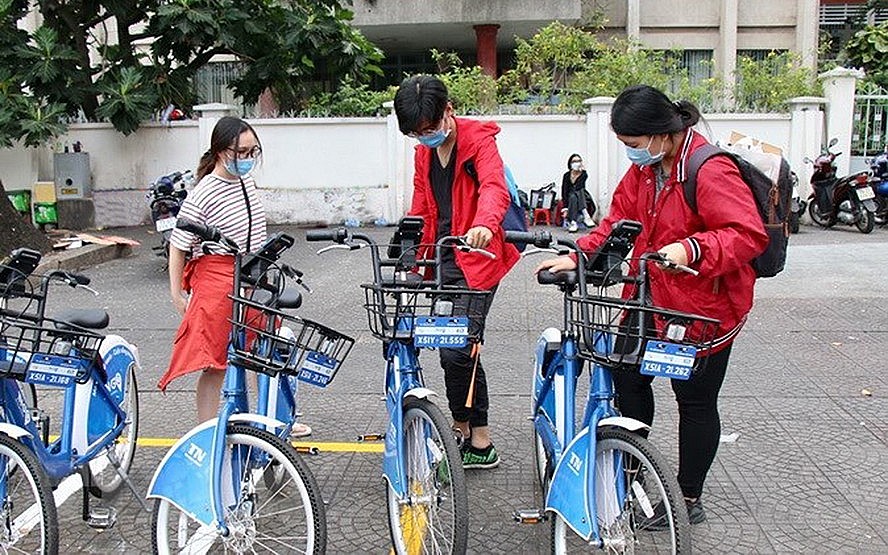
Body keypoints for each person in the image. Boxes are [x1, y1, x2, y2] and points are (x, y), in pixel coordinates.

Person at [536, 85, 768, 523]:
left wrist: (692, 249)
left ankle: (687, 499)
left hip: (705, 308)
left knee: (695, 401)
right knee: (626, 378)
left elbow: (747, 234)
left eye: (634, 145)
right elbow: (616, 224)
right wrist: (577, 256)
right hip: (648, 297)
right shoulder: (644, 172)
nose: (630, 153)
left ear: (662, 133)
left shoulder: (708, 169)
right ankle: (630, 464)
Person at [393, 75, 520, 469]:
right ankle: (464, 430)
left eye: (429, 130)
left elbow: (494, 188)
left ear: (448, 111)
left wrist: (484, 224)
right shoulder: (423, 153)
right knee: (452, 349)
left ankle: (476, 438)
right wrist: (413, 252)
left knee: (458, 347)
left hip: (478, 255)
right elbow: (421, 202)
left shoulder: (479, 140)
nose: (424, 139)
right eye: (416, 134)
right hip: (443, 257)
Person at [158, 116, 312, 438]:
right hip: (216, 279)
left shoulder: (246, 183)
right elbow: (179, 243)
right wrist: (176, 293)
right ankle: (206, 432)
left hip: (253, 275)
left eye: (252, 151)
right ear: (219, 151)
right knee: (216, 362)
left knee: (268, 347)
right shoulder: (204, 192)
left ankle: (277, 418)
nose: (246, 159)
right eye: (240, 152)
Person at [560, 153, 596, 232]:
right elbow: (564, 190)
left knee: (578, 192)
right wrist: (565, 207)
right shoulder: (566, 175)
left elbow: (580, 186)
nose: (577, 163)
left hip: (583, 196)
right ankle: (586, 215)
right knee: (573, 197)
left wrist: (582, 173)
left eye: (579, 161)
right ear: (570, 163)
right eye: (575, 161)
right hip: (570, 197)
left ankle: (573, 223)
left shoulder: (583, 174)